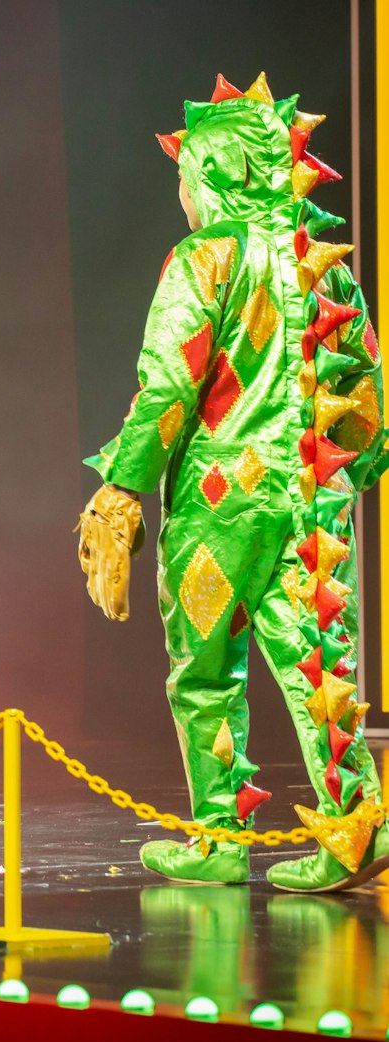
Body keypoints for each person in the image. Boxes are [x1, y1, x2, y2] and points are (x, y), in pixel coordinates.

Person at [77, 72, 387, 891]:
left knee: (206, 670)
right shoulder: (323, 263)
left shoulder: (204, 258)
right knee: (317, 661)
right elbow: (365, 391)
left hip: (221, 501)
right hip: (314, 496)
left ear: (213, 173)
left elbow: (171, 382)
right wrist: (355, 471)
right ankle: (355, 826)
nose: (180, 192)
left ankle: (216, 837)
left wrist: (123, 484)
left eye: (184, 175)